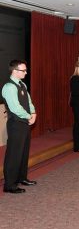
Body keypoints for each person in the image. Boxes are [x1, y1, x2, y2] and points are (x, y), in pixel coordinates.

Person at [1, 60, 37, 194]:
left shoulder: (22, 84)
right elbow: (15, 108)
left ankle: (22, 177)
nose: (26, 72)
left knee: (23, 152)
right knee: (14, 154)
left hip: (24, 123)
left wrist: (33, 113)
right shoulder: (9, 87)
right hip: (16, 124)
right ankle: (9, 184)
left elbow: (28, 101)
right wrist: (29, 116)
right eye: (23, 70)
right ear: (14, 71)